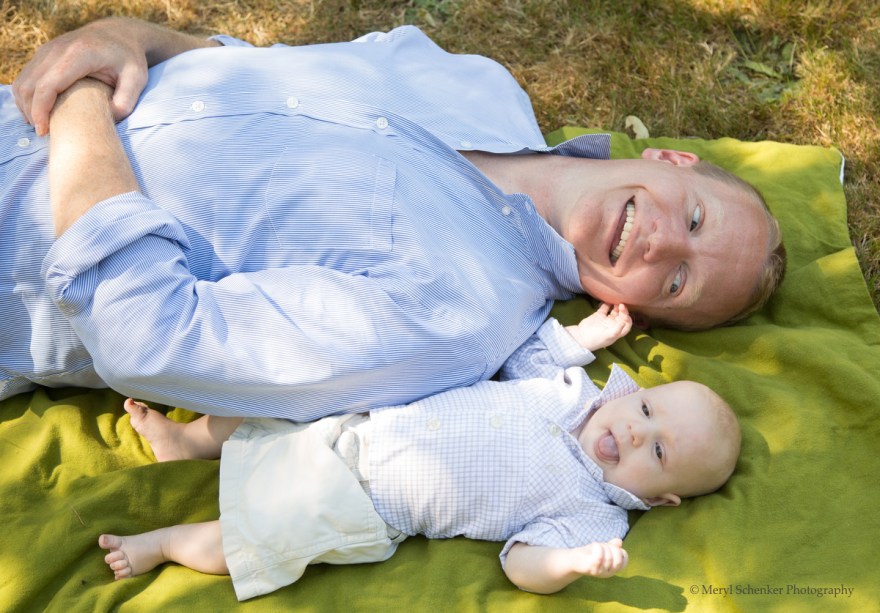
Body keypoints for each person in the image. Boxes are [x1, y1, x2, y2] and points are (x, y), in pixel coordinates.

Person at [1, 17, 785, 419]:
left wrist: (81, 105)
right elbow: (239, 58)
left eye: (677, 282)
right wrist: (127, 38)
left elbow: (147, 335)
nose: (662, 242)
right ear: (672, 160)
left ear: (634, 310)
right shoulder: (480, 82)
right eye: (696, 220)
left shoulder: (460, 318)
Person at [97, 303, 740, 599]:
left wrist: (570, 563)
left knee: (263, 538)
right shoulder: (575, 392)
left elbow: (523, 566)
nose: (635, 433)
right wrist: (579, 338)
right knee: (273, 405)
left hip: (371, 504)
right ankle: (186, 442)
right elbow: (528, 359)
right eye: (647, 412)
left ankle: (167, 543)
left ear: (662, 498)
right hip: (374, 416)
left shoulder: (594, 516)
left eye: (658, 452)